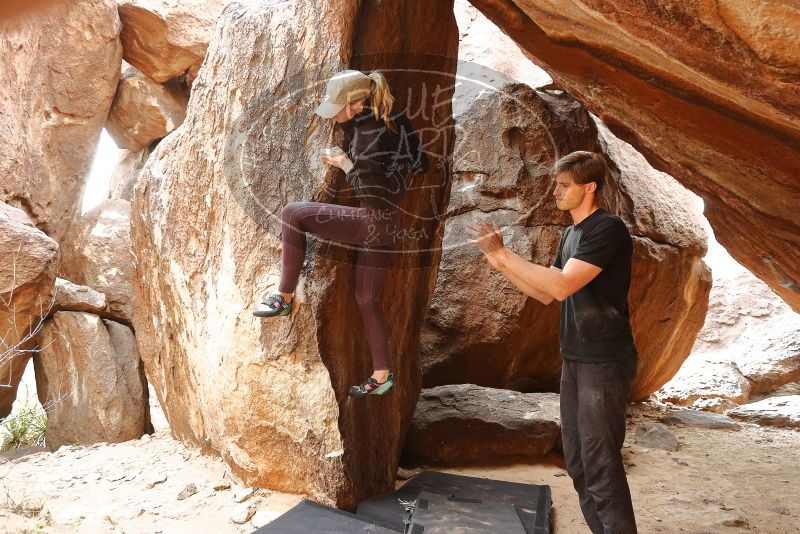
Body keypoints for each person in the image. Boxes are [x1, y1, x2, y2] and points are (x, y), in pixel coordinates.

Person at [467, 151, 638, 534]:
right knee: (577, 462)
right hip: (576, 360)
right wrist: (498, 261)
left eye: (564, 185)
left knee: (600, 464)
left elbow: (562, 286)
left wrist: (505, 253)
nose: (555, 191)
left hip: (605, 362)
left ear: (589, 187)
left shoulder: (606, 229)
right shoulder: (571, 234)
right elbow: (545, 293)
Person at [253, 69, 428, 398]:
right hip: (392, 227)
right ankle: (381, 375)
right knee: (366, 300)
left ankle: (284, 298)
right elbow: (423, 164)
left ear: (358, 104)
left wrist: (347, 165)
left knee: (293, 213)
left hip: (372, 220)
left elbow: (373, 196)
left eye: (339, 108)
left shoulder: (366, 137)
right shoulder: (398, 121)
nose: (336, 115)